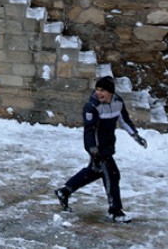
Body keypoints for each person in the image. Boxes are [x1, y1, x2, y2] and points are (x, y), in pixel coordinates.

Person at [54, 76, 147, 222]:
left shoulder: (118, 102)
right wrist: (92, 148)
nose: (98, 93)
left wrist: (135, 136)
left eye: (102, 90)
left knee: (94, 171)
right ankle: (115, 211)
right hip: (98, 148)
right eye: (97, 90)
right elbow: (89, 131)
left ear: (110, 92)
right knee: (112, 175)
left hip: (109, 145)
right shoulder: (92, 107)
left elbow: (124, 120)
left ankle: (64, 191)